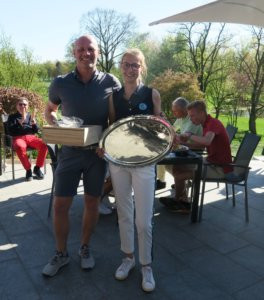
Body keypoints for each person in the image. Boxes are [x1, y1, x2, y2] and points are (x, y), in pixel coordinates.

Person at [42, 35, 121, 277]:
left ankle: (85, 248)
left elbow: (114, 120)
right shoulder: (60, 83)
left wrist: (108, 141)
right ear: (74, 52)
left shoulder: (111, 82)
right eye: (80, 49)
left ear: (97, 52)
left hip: (96, 155)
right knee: (60, 205)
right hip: (69, 154)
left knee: (91, 203)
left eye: (90, 49)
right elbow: (49, 111)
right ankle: (61, 253)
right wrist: (56, 124)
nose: (85, 53)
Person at [108, 48, 161, 292]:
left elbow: (160, 128)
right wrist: (104, 147)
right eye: (127, 64)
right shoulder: (113, 97)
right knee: (124, 214)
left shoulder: (152, 94)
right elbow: (111, 128)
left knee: (144, 219)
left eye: (135, 65)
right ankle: (128, 258)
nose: (131, 69)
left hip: (144, 162)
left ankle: (146, 266)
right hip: (119, 162)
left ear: (142, 67)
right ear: (121, 66)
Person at [163, 100, 233, 213]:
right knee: (177, 167)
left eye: (192, 116)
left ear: (201, 113)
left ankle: (179, 201)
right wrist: (184, 143)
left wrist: (190, 135)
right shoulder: (206, 124)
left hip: (221, 168)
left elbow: (207, 142)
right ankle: (181, 200)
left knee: (179, 175)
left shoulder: (213, 123)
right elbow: (201, 144)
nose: (190, 119)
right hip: (211, 161)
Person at [157, 97, 202, 190]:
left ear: (184, 110)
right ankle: (166, 181)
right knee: (160, 154)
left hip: (193, 151)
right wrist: (165, 122)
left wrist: (169, 135)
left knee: (164, 159)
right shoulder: (181, 118)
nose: (173, 113)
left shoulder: (192, 120)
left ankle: (181, 180)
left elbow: (184, 138)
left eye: (175, 111)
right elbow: (172, 129)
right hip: (184, 148)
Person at [6, 97, 47, 181]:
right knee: (19, 146)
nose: (22, 106)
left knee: (44, 144)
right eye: (20, 104)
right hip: (18, 138)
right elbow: (10, 131)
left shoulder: (30, 116)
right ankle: (28, 170)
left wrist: (34, 123)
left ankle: (37, 168)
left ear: (27, 106)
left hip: (31, 137)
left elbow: (36, 130)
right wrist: (20, 123)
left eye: (25, 104)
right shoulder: (12, 117)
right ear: (17, 106)